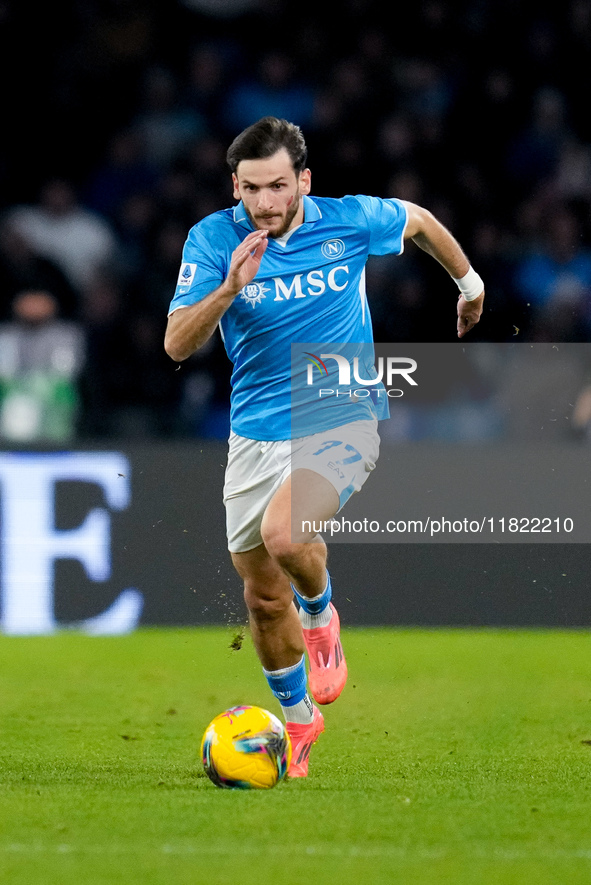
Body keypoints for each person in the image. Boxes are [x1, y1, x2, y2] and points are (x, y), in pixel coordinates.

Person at [164, 116, 484, 778]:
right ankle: (300, 715)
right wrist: (227, 287)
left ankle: (320, 611)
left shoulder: (347, 220)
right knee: (258, 594)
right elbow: (175, 344)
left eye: (279, 185)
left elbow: (419, 220)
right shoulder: (211, 240)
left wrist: (469, 284)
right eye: (251, 188)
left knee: (286, 538)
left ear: (303, 180)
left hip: (343, 410)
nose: (265, 203)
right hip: (255, 431)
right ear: (235, 187)